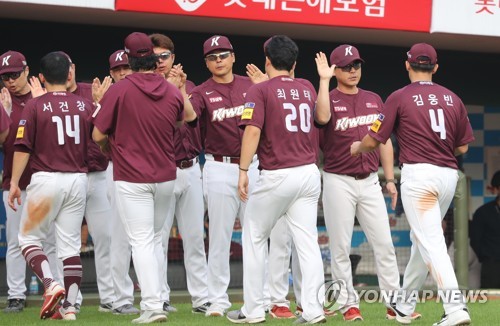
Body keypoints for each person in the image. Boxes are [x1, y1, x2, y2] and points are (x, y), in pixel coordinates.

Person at [350, 43, 474, 326]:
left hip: (420, 176)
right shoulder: (452, 97)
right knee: (422, 241)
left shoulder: (399, 96)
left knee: (431, 242)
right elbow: (464, 148)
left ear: (407, 65)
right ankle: (404, 306)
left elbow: (374, 140)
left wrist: (357, 147)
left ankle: (455, 309)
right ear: (435, 68)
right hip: (447, 176)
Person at [92, 32, 197, 324]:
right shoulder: (170, 89)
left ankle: (152, 306)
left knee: (140, 242)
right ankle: (156, 301)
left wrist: (109, 145)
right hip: (166, 176)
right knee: (151, 240)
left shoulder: (120, 90)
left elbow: (98, 134)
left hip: (132, 177)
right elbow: (185, 119)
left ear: (129, 59)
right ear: (153, 56)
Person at [314, 45, 420, 322]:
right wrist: (323, 82)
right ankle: (349, 304)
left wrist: (389, 178)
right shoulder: (328, 98)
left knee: (384, 244)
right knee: (340, 247)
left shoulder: (374, 99)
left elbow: (383, 140)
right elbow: (321, 117)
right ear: (335, 70)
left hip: (370, 180)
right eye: (347, 66)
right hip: (338, 179)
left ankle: (393, 303)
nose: (353, 71)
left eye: (356, 65)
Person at [226, 35, 325, 324]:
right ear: (293, 63)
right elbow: (322, 117)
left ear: (267, 61)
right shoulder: (306, 86)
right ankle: (314, 309)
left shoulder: (260, 90)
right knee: (307, 242)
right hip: (308, 173)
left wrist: (243, 170)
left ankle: (254, 310)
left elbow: (252, 132)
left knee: (254, 236)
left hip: (278, 174)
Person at [8, 51, 92, 320]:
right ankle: (69, 308)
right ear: (69, 74)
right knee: (69, 247)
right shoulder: (83, 104)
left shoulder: (34, 105)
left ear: (41, 77)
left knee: (28, 239)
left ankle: (50, 284)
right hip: (78, 180)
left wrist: (13, 183)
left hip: (46, 179)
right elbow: (98, 139)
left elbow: (22, 148)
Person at [189, 35, 259, 317]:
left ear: (233, 57)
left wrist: (264, 85)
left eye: (222, 55)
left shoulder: (250, 84)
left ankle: (260, 297)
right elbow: (189, 116)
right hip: (218, 166)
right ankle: (217, 299)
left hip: (253, 165)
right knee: (219, 238)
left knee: (256, 235)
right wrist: (180, 91)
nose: (218, 60)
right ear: (206, 63)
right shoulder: (202, 91)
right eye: (212, 57)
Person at [149, 32, 210, 314]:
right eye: (156, 57)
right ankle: (160, 298)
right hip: (162, 169)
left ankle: (201, 298)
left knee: (195, 237)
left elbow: (193, 121)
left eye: (165, 56)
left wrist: (181, 89)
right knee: (158, 239)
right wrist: (168, 88)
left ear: (173, 58)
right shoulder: (146, 89)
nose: (160, 62)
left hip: (191, 167)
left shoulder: (191, 86)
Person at [0, 50, 60, 313]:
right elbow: (5, 143)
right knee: (15, 242)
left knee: (49, 241)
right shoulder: (2, 101)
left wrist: (39, 104)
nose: (10, 81)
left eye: (14, 74)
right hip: (13, 181)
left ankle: (54, 289)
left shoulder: (43, 97)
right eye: (5, 77)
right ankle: (16, 296)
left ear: (27, 72)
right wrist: (5, 114)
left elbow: (51, 138)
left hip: (43, 179)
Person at [62, 51, 116, 313]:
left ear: (73, 68)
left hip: (97, 174)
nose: (67, 72)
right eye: (62, 68)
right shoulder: (51, 100)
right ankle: (71, 299)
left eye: (70, 66)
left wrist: (100, 104)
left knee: (105, 237)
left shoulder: (90, 90)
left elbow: (107, 128)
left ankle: (109, 297)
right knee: (68, 241)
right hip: (68, 176)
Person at [104, 49, 140, 315]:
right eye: (117, 70)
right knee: (119, 236)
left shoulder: (145, 93)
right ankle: (122, 298)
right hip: (117, 168)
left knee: (149, 237)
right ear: (112, 74)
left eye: (126, 67)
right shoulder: (109, 96)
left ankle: (156, 297)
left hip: (147, 170)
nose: (123, 72)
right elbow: (97, 136)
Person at [470, 170, 500, 288]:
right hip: (492, 266)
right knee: (491, 304)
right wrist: (488, 257)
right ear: (497, 189)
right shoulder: (483, 212)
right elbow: (475, 241)